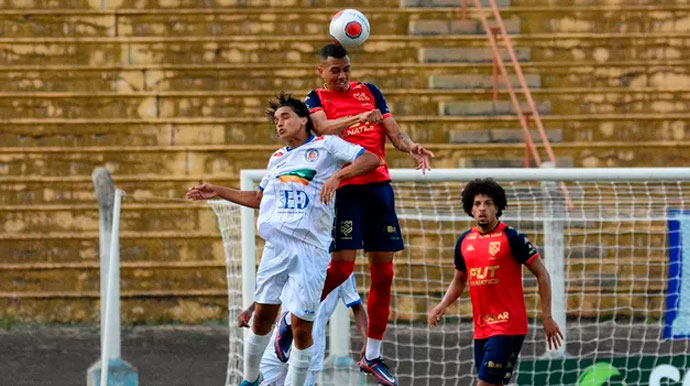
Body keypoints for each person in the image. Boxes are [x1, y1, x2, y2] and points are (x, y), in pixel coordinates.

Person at [186, 93, 380, 386]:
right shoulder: (277, 158)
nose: (279, 124)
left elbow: (370, 159)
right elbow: (258, 198)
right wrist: (218, 189)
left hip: (310, 249)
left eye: (285, 117)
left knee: (302, 327)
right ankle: (250, 380)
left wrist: (339, 177)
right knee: (262, 317)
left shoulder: (325, 146)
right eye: (276, 120)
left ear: (304, 120)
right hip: (276, 247)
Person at [277, 43, 434, 386]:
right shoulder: (314, 98)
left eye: (346, 69)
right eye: (335, 70)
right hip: (345, 189)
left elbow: (393, 132)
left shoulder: (371, 92)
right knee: (342, 268)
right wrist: (358, 118)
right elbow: (322, 128)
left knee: (385, 272)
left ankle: (372, 355)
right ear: (321, 71)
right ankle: (289, 320)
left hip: (379, 188)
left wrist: (410, 147)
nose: (343, 76)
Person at [428, 178, 564, 386]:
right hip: (481, 328)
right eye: (477, 204)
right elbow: (459, 280)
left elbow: (542, 274)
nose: (482, 209)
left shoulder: (512, 237)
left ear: (497, 207)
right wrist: (443, 304)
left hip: (508, 326)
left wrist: (546, 316)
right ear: (470, 209)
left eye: (488, 203)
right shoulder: (464, 242)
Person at [237, 275, 367, 386]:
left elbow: (357, 307)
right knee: (255, 380)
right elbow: (272, 286)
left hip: (310, 349)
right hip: (277, 344)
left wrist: (367, 341)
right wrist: (250, 309)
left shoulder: (342, 269)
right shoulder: (296, 251)